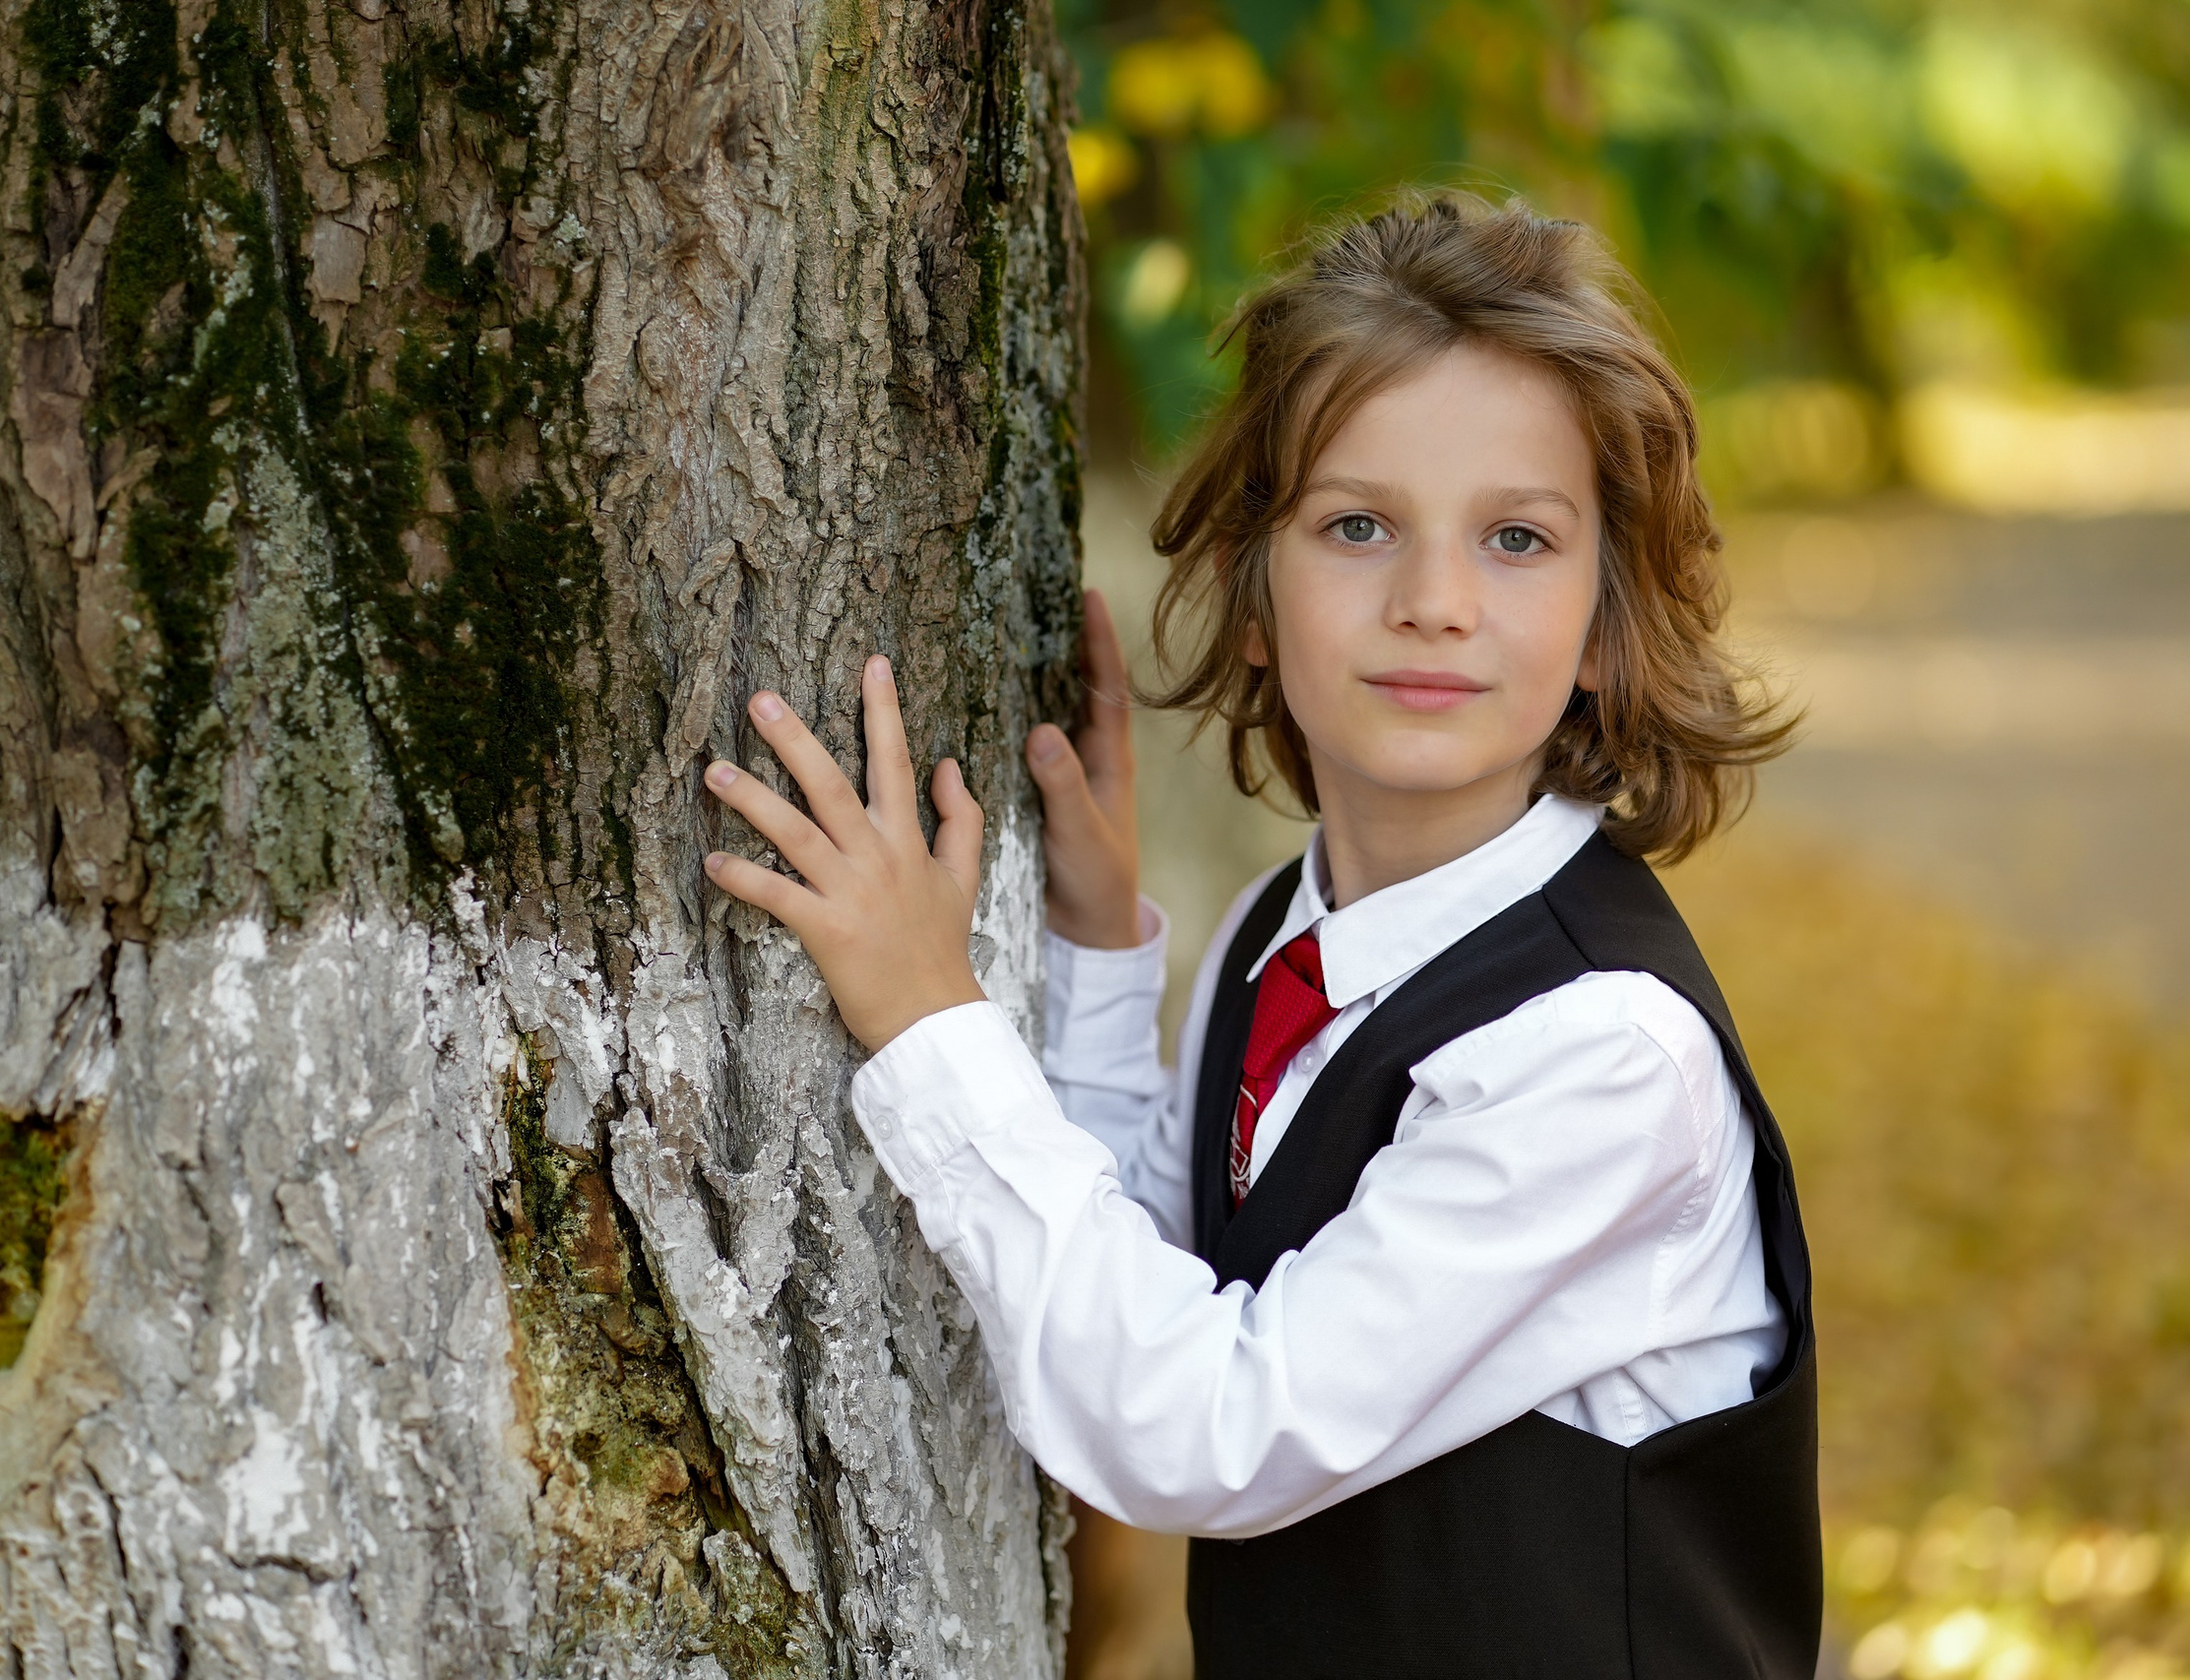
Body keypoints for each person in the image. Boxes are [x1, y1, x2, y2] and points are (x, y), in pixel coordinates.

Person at [701, 191, 1820, 1677]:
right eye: (1358, 525)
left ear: (1608, 621)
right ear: (1248, 591)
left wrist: (924, 1020)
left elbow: (1204, 1430)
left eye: (1518, 539)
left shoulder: (1599, 1056)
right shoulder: (1283, 936)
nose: (1434, 601)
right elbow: (1148, 1280)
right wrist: (1098, 953)